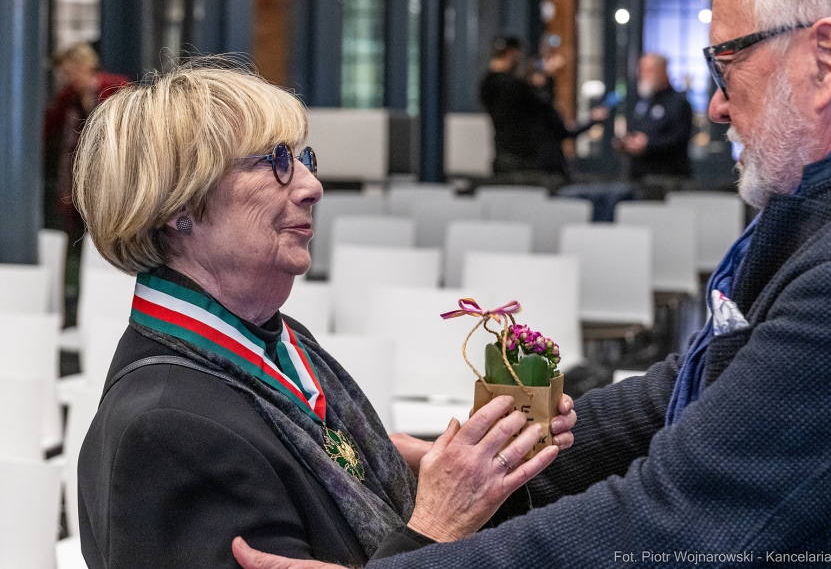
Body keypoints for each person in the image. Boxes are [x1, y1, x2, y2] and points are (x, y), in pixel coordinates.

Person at [233, 0, 831, 569]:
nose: (716, 106)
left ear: (823, 59)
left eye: (727, 66)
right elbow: (693, 388)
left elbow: (669, 520)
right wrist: (498, 466)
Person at [73, 64, 576, 568]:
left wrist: (480, 477)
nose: (312, 186)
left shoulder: (278, 341)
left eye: (302, 158)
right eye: (276, 162)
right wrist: (437, 527)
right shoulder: (165, 429)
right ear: (177, 206)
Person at [479, 36, 606, 175]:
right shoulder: (516, 88)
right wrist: (548, 82)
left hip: (505, 159)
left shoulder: (489, 85)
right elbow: (557, 125)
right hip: (532, 165)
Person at [43, 43, 128, 237]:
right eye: (64, 73)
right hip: (78, 173)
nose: (67, 78)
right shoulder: (67, 97)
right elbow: (49, 128)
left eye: (70, 72)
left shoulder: (117, 88)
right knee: (77, 224)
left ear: (86, 67)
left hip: (112, 169)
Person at [617, 53, 693, 178]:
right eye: (641, 71)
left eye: (648, 71)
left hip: (667, 178)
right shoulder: (643, 102)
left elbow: (679, 139)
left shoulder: (678, 103)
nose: (643, 76)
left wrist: (649, 143)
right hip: (638, 175)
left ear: (663, 71)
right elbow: (634, 129)